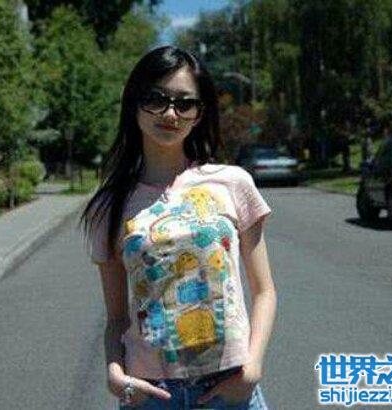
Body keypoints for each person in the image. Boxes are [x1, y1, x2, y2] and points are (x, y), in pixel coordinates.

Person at [79, 46, 277, 409]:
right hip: (151, 394)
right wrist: (115, 373)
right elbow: (117, 318)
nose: (171, 113)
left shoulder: (233, 183)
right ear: (134, 104)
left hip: (229, 387)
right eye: (156, 99)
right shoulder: (109, 206)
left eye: (185, 103)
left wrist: (252, 368)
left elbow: (264, 291)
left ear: (199, 114)